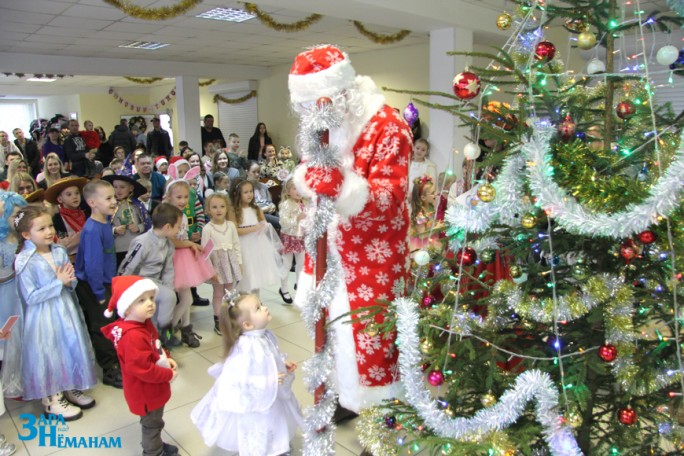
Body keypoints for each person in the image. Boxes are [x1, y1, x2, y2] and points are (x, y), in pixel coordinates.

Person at [289, 44, 412, 413]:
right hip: (326, 254)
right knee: (332, 335)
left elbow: (390, 195)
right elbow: (311, 177)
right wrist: (311, 180)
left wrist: (342, 187)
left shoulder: (388, 127)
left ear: (342, 93)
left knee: (372, 345)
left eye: (318, 104)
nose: (313, 114)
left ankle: (380, 424)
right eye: (306, 107)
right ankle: (342, 396)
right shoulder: (322, 126)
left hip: (372, 261)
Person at [191, 293, 302, 454]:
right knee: (262, 424)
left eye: (261, 303)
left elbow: (271, 356)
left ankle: (278, 445)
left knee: (276, 420)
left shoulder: (264, 335)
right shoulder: (245, 347)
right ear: (248, 324)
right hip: (258, 399)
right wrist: (267, 381)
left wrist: (282, 363)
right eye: (258, 308)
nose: (265, 308)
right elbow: (239, 379)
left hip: (272, 393)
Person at [14, 205, 97, 420]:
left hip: (65, 308)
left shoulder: (59, 251)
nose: (49, 232)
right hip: (43, 315)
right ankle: (52, 397)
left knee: (69, 345)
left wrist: (69, 282)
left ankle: (70, 384)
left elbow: (71, 279)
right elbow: (30, 297)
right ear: (26, 235)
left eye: (50, 226)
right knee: (51, 352)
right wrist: (58, 283)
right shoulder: (25, 260)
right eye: (41, 229)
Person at [101, 276, 179, 456]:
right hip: (145, 392)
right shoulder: (132, 337)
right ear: (127, 307)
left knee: (155, 422)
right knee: (152, 424)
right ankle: (153, 451)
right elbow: (143, 369)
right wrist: (168, 375)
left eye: (151, 298)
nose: (150, 303)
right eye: (141, 300)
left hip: (151, 387)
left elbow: (155, 344)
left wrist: (166, 358)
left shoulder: (143, 323)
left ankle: (156, 445)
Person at [74, 180, 123, 389]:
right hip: (94, 286)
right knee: (102, 326)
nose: (114, 201)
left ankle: (117, 360)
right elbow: (92, 265)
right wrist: (99, 293)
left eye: (114, 196)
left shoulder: (104, 223)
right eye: (109, 198)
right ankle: (109, 368)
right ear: (92, 202)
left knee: (111, 322)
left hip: (105, 282)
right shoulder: (93, 229)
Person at [118, 203, 183, 348]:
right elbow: (127, 266)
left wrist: (169, 287)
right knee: (168, 297)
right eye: (178, 226)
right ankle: (164, 333)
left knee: (162, 302)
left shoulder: (168, 244)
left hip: (155, 282)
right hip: (139, 281)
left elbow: (168, 269)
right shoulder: (142, 242)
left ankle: (154, 340)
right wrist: (121, 290)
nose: (180, 230)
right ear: (167, 227)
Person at [164, 180, 215, 348]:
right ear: (169, 197)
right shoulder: (168, 215)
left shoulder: (183, 214)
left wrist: (191, 240)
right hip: (173, 258)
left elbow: (183, 237)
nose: (183, 200)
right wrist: (191, 244)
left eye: (186, 197)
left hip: (184, 257)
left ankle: (185, 329)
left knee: (186, 298)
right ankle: (167, 330)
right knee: (185, 299)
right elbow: (172, 242)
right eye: (179, 197)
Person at [0, 192, 28, 401]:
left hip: (22, 291)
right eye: (14, 215)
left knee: (25, 334)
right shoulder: (2, 242)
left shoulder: (23, 237)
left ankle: (25, 377)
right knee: (10, 336)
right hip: (6, 294)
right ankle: (11, 379)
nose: (19, 219)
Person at [233, 179, 281, 296]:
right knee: (245, 275)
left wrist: (262, 227)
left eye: (251, 191)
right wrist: (253, 228)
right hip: (243, 245)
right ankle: (243, 301)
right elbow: (235, 230)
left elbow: (263, 223)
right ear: (238, 194)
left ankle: (256, 300)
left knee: (257, 276)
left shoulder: (256, 209)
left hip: (257, 245)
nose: (250, 194)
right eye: (246, 192)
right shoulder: (235, 211)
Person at [202, 193, 241, 335]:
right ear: (208, 210)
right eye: (214, 207)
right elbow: (205, 252)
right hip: (216, 265)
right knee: (218, 293)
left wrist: (239, 262)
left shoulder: (230, 225)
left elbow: (236, 245)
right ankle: (218, 319)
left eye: (222, 207)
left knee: (230, 292)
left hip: (230, 264)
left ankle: (229, 317)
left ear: (227, 208)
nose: (218, 210)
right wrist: (210, 270)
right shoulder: (208, 229)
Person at [104, 174, 151, 268]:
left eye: (122, 187)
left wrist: (138, 228)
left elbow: (147, 223)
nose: (118, 190)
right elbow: (103, 226)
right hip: (117, 248)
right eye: (115, 187)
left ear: (131, 188)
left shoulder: (137, 205)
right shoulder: (108, 206)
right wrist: (114, 230)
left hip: (137, 247)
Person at [45, 176, 89, 262]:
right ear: (60, 199)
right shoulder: (56, 220)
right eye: (69, 194)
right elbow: (55, 245)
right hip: (70, 262)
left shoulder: (87, 214)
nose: (74, 197)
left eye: (77, 193)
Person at [277, 178, 306, 305]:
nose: (298, 190)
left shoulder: (304, 204)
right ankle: (283, 288)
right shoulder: (286, 205)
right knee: (287, 264)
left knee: (301, 264)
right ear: (288, 192)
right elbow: (283, 222)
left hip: (301, 238)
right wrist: (297, 219)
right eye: (294, 188)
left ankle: (300, 289)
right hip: (289, 237)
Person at [408, 176, 444, 253]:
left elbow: (430, 224)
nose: (435, 195)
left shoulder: (430, 208)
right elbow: (422, 235)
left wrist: (437, 224)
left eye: (435, 192)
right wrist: (436, 228)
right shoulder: (420, 214)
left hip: (432, 240)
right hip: (423, 245)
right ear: (423, 197)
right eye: (432, 193)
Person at [245, 161, 279, 230]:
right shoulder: (244, 188)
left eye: (258, 172)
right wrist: (263, 209)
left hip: (269, 211)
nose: (257, 174)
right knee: (281, 223)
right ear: (247, 172)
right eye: (254, 172)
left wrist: (273, 206)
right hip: (258, 215)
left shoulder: (263, 186)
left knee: (285, 219)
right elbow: (247, 209)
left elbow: (270, 202)